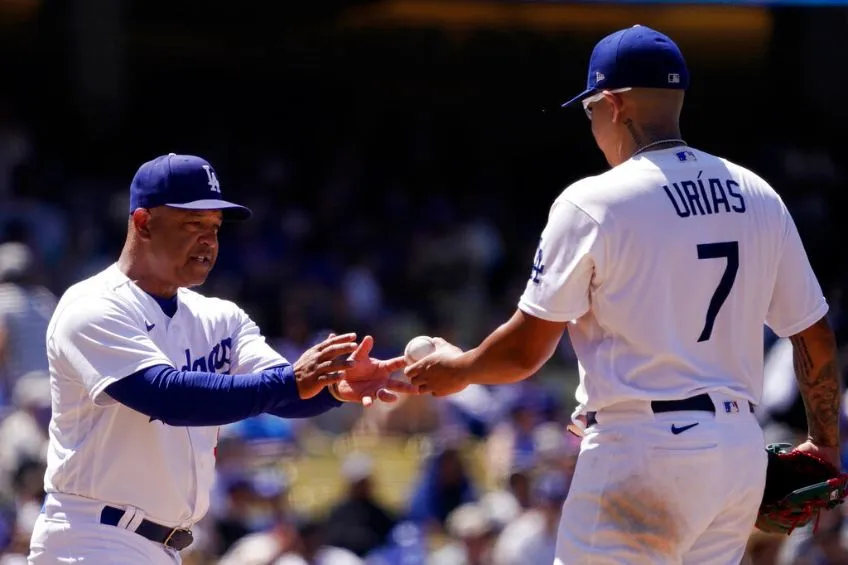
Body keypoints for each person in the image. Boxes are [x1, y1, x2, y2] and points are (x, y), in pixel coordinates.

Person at [406, 25, 841, 564]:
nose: (591, 124)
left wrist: (462, 368)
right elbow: (814, 336)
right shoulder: (757, 194)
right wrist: (824, 440)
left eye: (589, 110)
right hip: (736, 453)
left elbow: (524, 352)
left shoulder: (594, 201)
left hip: (642, 451)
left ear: (613, 104)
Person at [27, 153, 415, 565]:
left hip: (162, 546)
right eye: (193, 224)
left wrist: (334, 387)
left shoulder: (219, 317)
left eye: (214, 226)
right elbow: (168, 397)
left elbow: (282, 391)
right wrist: (295, 381)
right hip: (91, 539)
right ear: (143, 223)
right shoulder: (92, 306)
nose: (209, 240)